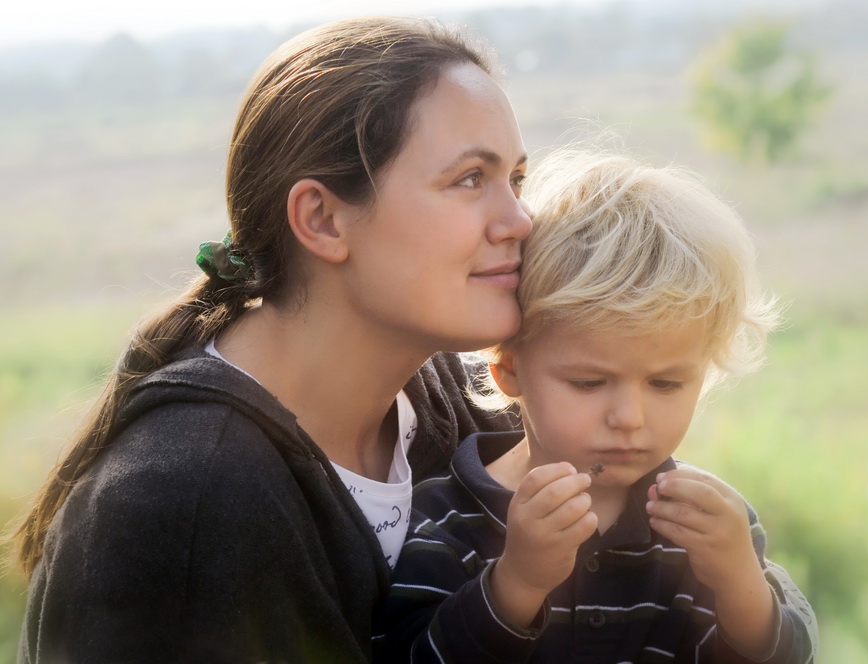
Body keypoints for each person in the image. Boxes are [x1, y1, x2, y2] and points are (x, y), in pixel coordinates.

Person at [12, 16, 532, 664]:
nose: (519, 219)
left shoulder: (463, 405)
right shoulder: (183, 512)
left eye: (515, 179)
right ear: (322, 219)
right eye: (470, 179)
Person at [375, 148, 819, 662]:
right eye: (588, 382)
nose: (629, 419)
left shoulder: (708, 526)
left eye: (667, 384)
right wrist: (515, 584)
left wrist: (742, 584)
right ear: (509, 368)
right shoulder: (445, 522)